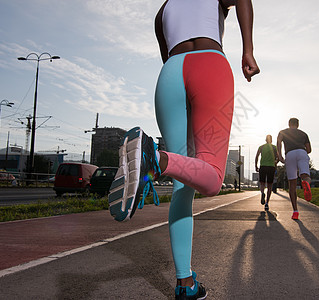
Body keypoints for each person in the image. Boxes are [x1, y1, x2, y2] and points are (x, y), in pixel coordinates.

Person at [108, 1, 260, 299]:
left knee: (184, 182)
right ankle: (154, 158)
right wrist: (248, 49)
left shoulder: (162, 11)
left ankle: (185, 283)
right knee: (213, 179)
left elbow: (168, 55)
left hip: (169, 75)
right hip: (209, 66)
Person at [277, 118, 312, 220]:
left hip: (290, 154)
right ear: (298, 125)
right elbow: (309, 150)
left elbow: (278, 143)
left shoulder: (282, 132)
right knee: (305, 176)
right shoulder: (303, 134)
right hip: (302, 152)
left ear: (289, 124)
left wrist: (279, 156)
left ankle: (295, 211)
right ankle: (306, 183)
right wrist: (302, 152)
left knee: (292, 183)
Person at [255, 135, 278, 211]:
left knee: (262, 183)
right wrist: (275, 162)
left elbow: (257, 156)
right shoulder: (274, 147)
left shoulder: (261, 147)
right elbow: (278, 157)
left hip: (263, 166)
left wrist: (256, 166)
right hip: (271, 167)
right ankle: (267, 203)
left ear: (265, 140)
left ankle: (262, 193)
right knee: (270, 185)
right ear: (271, 140)